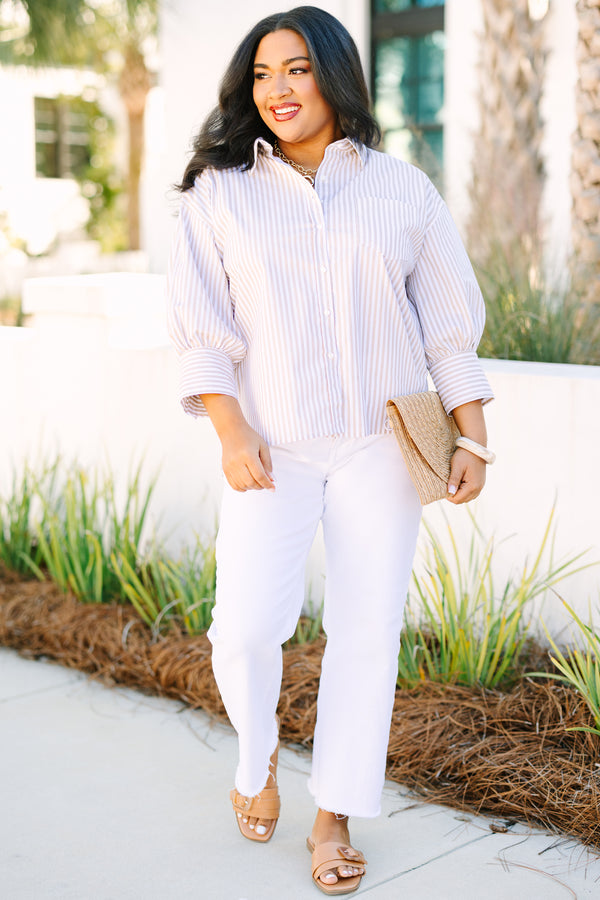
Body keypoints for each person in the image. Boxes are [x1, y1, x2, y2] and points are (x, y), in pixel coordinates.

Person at [167, 6, 494, 894]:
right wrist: (230, 429)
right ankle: (257, 759)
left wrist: (473, 437)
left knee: (366, 632)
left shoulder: (403, 190)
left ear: (336, 75)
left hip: (382, 444)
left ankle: (334, 815)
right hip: (269, 444)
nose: (277, 89)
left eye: (297, 69)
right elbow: (202, 328)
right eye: (262, 74)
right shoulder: (218, 193)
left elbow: (447, 327)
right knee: (244, 627)